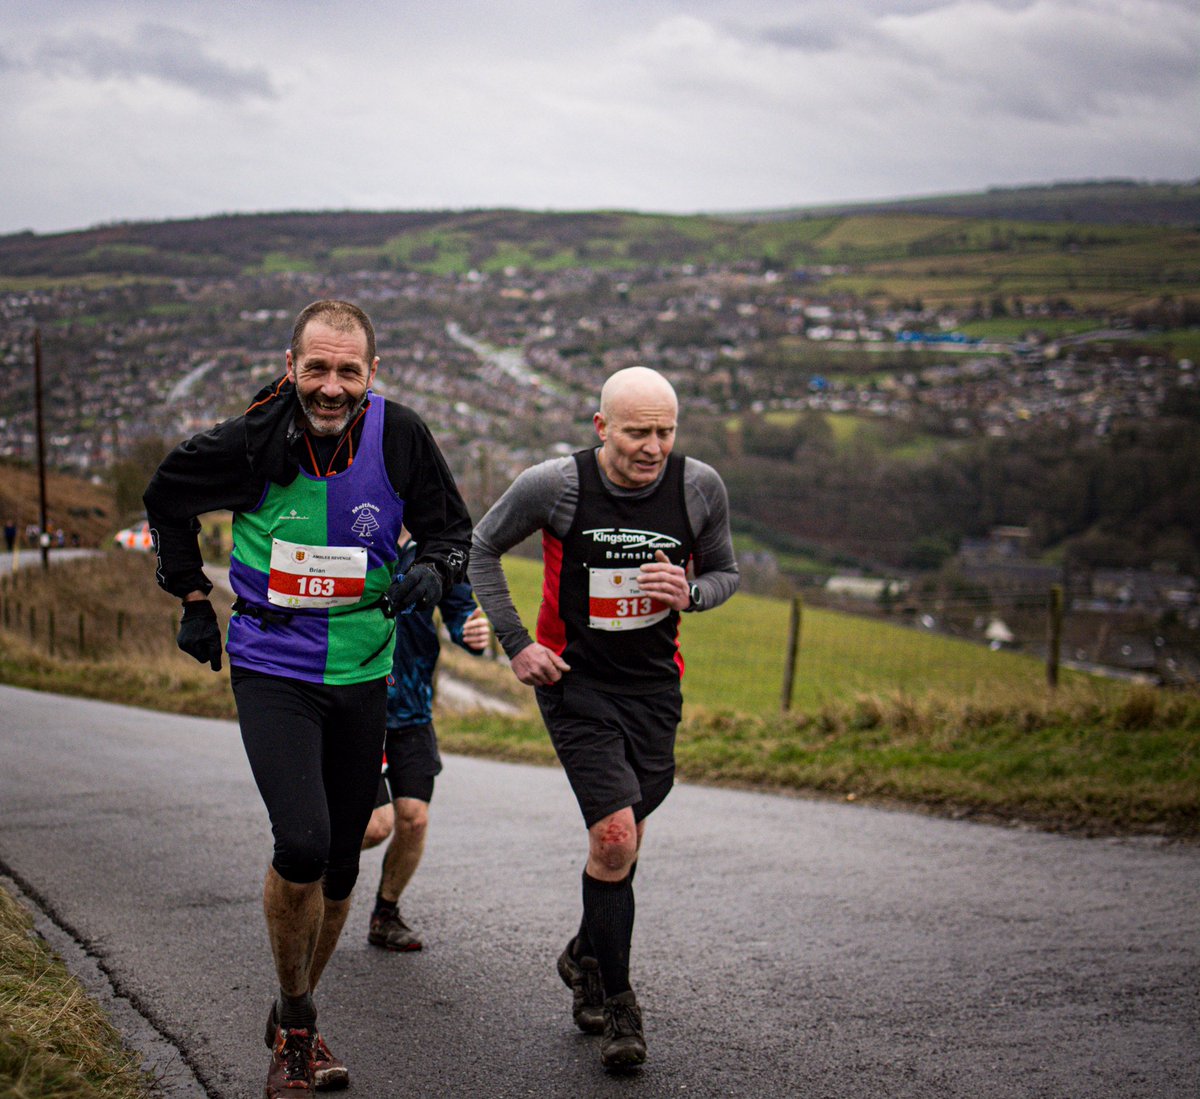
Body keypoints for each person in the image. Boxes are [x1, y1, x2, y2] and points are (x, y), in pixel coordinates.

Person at [143, 300, 471, 1098]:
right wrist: (190, 593)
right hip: (272, 666)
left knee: (339, 860)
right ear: (291, 367)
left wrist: (434, 567)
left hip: (363, 670)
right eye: (315, 369)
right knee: (302, 837)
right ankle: (297, 1031)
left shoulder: (400, 435)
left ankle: (297, 1004)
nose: (330, 387)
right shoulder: (249, 439)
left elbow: (451, 529)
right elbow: (166, 493)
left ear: (372, 373)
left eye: (346, 371)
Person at [469, 365, 739, 1072]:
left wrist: (692, 591)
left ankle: (585, 954)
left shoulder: (698, 487)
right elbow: (482, 548)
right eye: (637, 431)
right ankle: (620, 1004)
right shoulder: (556, 484)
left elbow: (724, 574)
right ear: (601, 427)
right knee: (616, 836)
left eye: (665, 431)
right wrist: (518, 645)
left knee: (625, 838)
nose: (652, 446)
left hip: (653, 689)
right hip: (575, 683)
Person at [360, 533, 491, 951]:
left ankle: (385, 914)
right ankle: (304, 879)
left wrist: (471, 630)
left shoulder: (437, 545)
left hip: (412, 704)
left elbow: (460, 611)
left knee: (413, 818)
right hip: (356, 698)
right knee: (374, 826)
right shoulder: (357, 525)